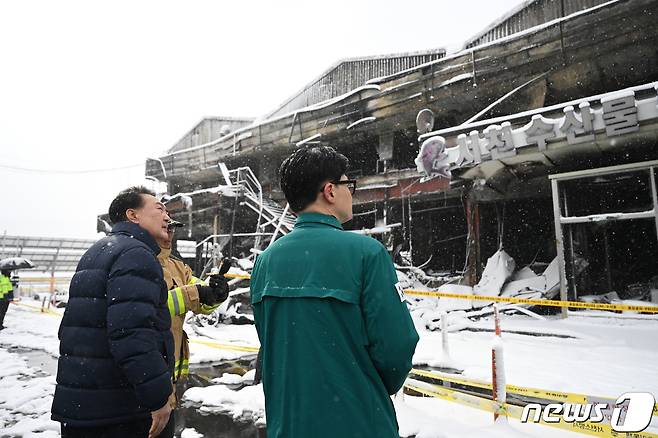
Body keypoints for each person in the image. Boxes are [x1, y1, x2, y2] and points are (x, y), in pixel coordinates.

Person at [250, 145, 419, 438]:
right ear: (330, 191)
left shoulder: (265, 262)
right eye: (347, 184)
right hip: (358, 422)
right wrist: (364, 384)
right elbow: (398, 345)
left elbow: (271, 342)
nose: (350, 192)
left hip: (288, 424)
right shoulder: (367, 254)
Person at [51, 186, 174, 438]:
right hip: (122, 410)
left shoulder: (99, 250)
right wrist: (158, 397)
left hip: (87, 405)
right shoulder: (136, 254)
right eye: (159, 209)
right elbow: (132, 333)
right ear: (133, 215)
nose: (168, 217)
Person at [156, 220, 229, 412]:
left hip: (168, 381)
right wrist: (194, 294)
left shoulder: (176, 266)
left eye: (172, 228)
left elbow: (202, 299)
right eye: (165, 227)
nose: (170, 233)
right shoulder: (136, 263)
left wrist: (216, 294)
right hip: (143, 380)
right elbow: (145, 309)